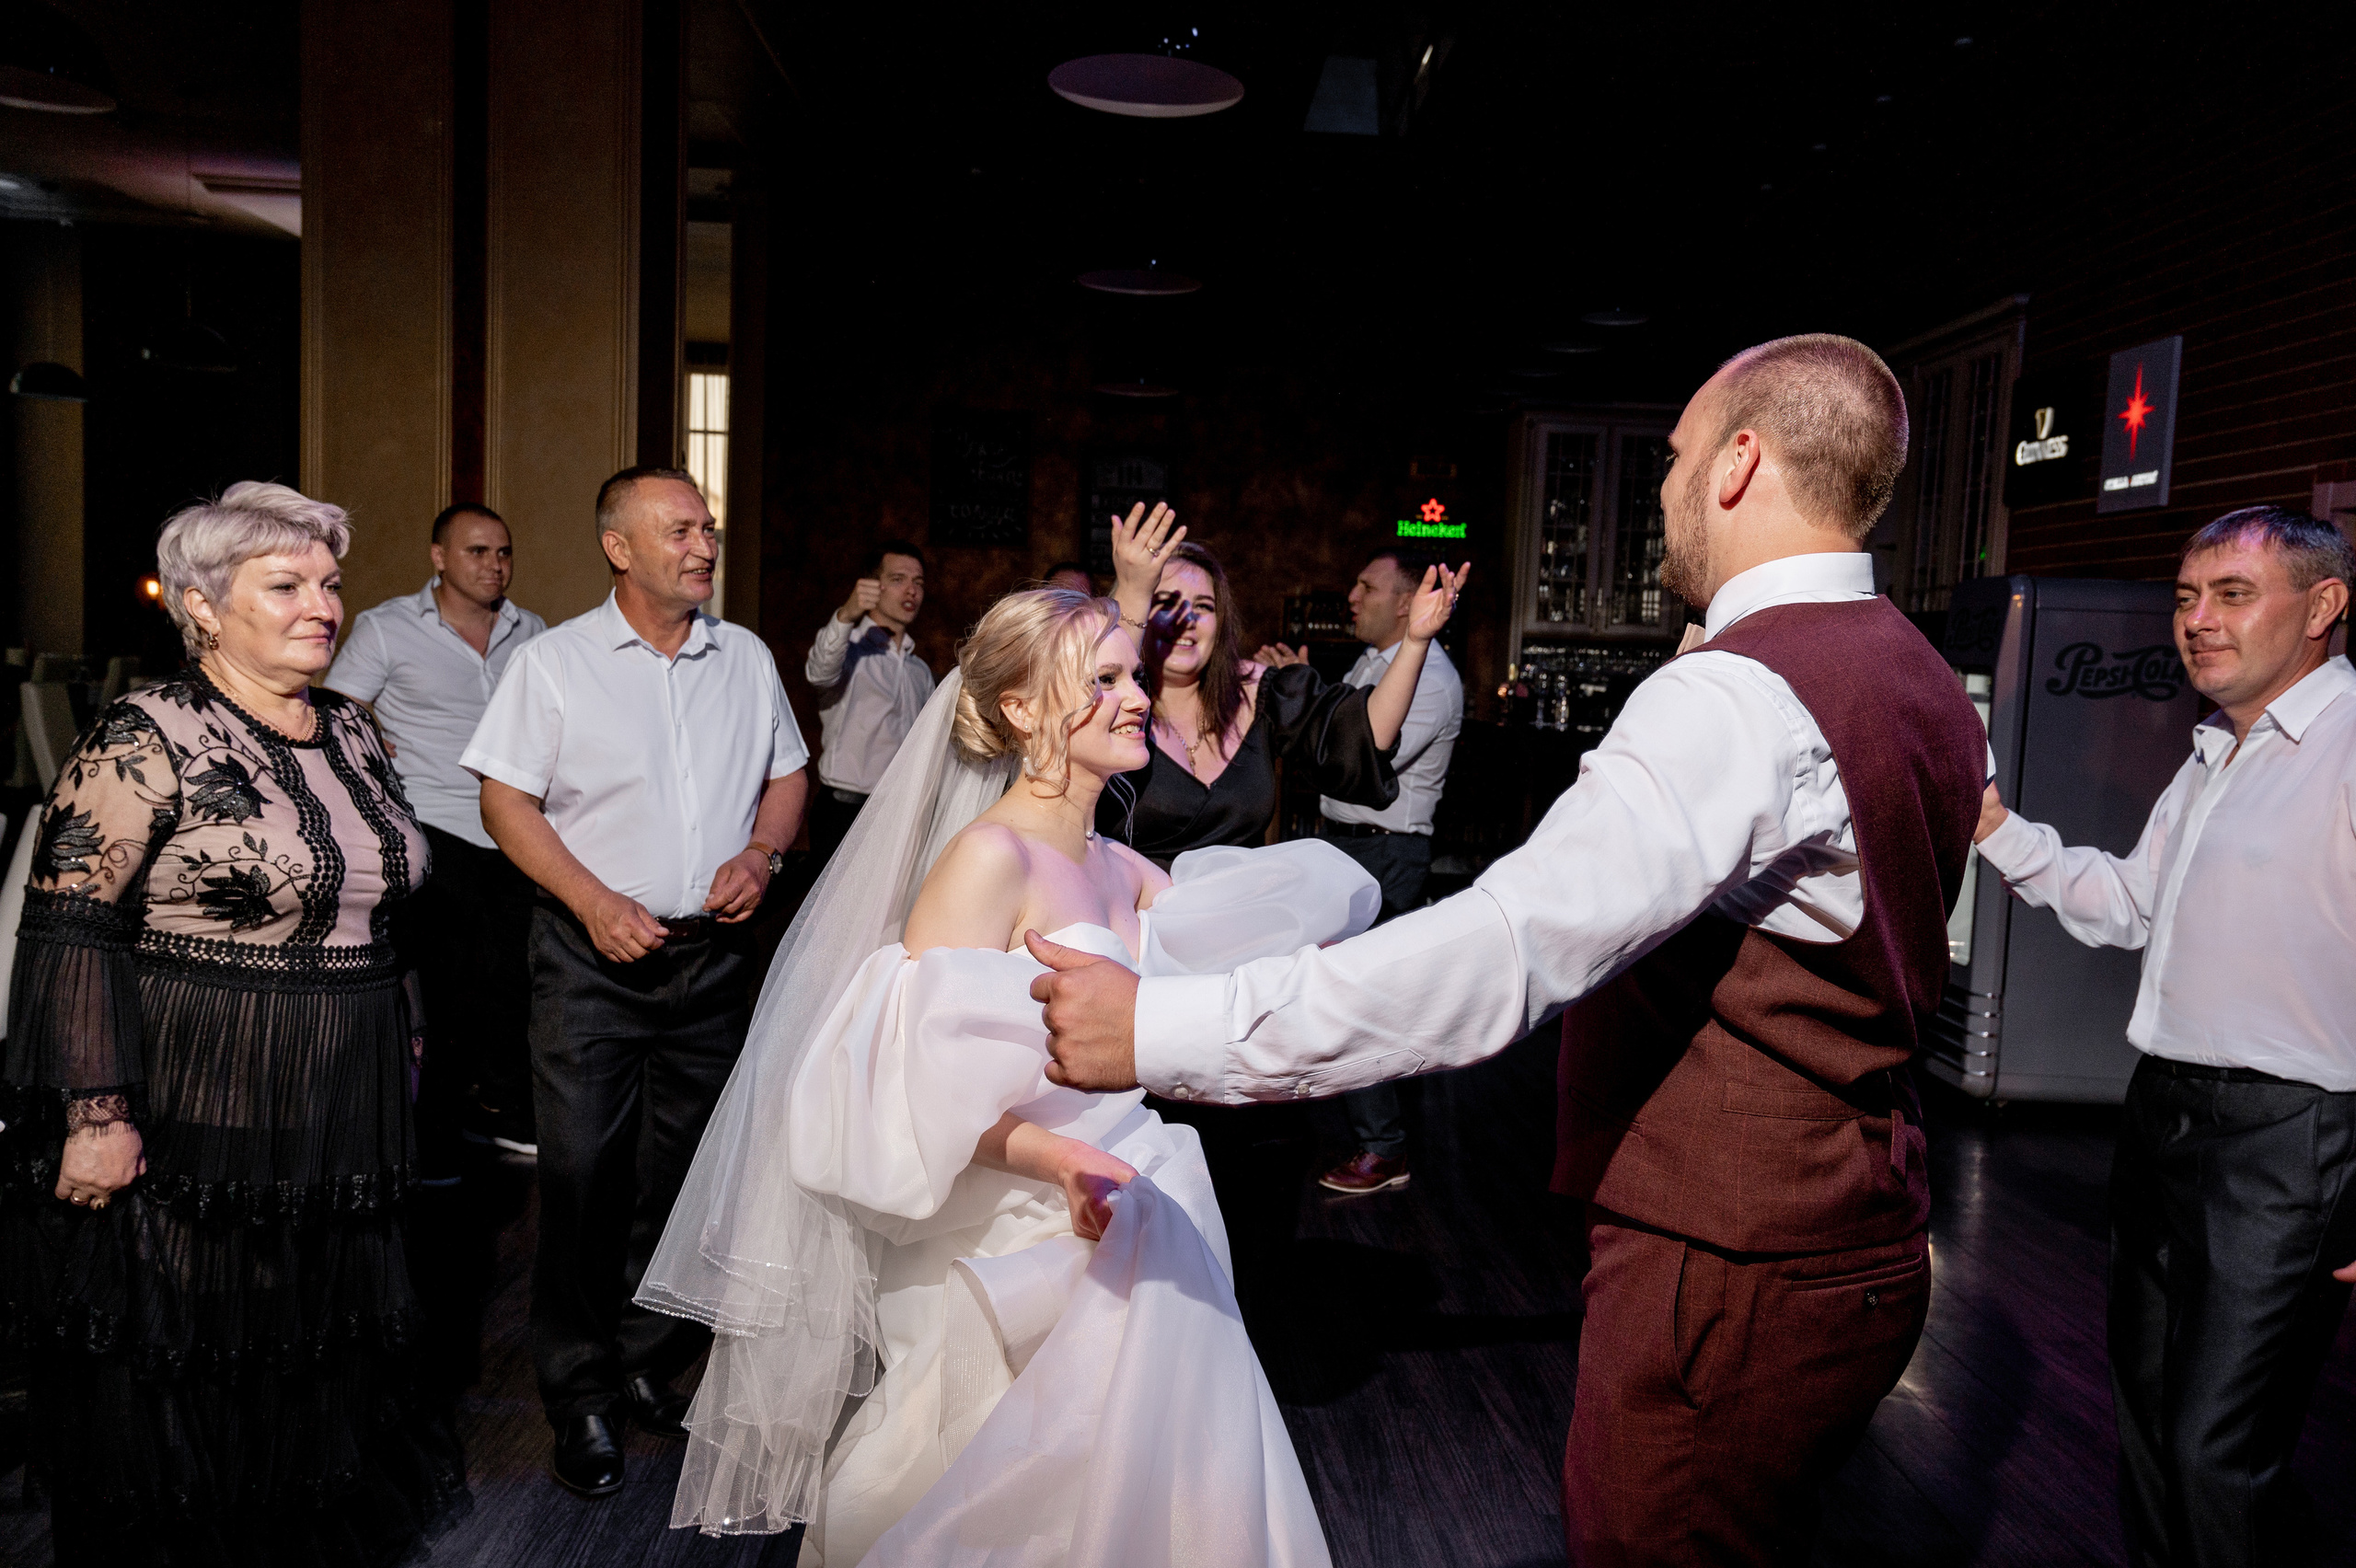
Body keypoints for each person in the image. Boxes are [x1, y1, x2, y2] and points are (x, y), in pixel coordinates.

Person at [1033, 334, 1990, 1567]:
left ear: (1743, 462)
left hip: (1731, 1263)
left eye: (1677, 458)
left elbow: (1507, 947)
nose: (1660, 491)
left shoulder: (1740, 696)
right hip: (1858, 1234)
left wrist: (1161, 1029)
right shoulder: (1919, 675)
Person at [637, 587, 1380, 1565]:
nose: (1134, 696)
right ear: (1023, 709)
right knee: (995, 1495)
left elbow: (1249, 973)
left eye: (1131, 674)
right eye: (1102, 679)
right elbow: (900, 1088)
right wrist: (1060, 1159)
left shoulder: (1122, 867)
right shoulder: (987, 860)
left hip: (1134, 1198)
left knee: (1153, 1489)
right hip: (1005, 1226)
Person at [0, 482, 468, 1562]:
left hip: (342, 1094)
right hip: (196, 1081)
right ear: (204, 607)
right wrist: (97, 1112)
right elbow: (70, 924)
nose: (323, 606)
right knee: (191, 1341)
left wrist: (401, 1056)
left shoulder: (354, 728)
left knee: (307, 1343)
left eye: (331, 584)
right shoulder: (148, 730)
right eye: (287, 585)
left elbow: (386, 913)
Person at [1972, 506, 2356, 1568]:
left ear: (2323, 605)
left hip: (2293, 1141)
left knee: (2213, 1451)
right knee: (2144, 1425)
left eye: (2231, 595)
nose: (2196, 621)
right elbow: (2130, 907)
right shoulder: (2210, 758)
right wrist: (1997, 831)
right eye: (2186, 599)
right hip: (2162, 1119)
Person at [461, 465, 811, 1497]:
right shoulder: (555, 664)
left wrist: (763, 855)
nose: (702, 545)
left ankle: (649, 1365)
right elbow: (506, 804)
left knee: (689, 1176)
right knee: (578, 1176)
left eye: (706, 527)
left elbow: (788, 773)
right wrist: (592, 901)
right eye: (679, 531)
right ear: (619, 547)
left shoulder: (741, 657)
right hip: (590, 959)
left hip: (711, 959)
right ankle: (579, 1398)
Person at [326, 502, 547, 1159]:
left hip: (512, 828)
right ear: (439, 557)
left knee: (513, 978)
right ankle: (437, 1130)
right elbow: (337, 712)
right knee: (442, 987)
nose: (494, 565)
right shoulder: (388, 628)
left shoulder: (530, 629)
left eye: (503, 552)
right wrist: (370, 743)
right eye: (478, 551)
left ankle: (502, 1110)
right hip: (431, 826)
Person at [1259, 550, 1466, 1195]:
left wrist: (1302, 700)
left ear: (1406, 603)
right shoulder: (1374, 662)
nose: (1351, 596)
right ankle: (1367, 1132)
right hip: (1351, 847)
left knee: (1364, 997)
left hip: (1385, 850)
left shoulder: (1429, 675)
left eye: (1366, 586)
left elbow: (1357, 764)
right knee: (1335, 987)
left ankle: (1385, 1149)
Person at [1094, 504, 1458, 864]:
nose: (1186, 619)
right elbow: (1103, 670)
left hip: (1240, 913)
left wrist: (1414, 642)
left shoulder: (1257, 693)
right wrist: (1131, 590)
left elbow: (1365, 736)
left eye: (1203, 606)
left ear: (1221, 624)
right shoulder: (1106, 703)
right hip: (1138, 911)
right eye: (1165, 601)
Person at [805, 540, 933, 866]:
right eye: (898, 579)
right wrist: (846, 614)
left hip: (898, 815)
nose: (911, 591)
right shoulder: (849, 649)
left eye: (918, 582)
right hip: (845, 813)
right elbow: (819, 672)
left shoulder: (919, 671)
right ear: (872, 586)